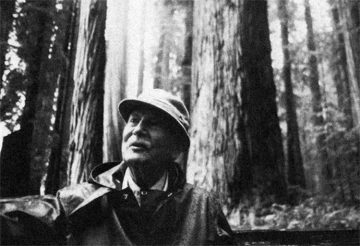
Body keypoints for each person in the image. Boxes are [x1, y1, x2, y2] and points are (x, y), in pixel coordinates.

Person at [2, 89, 235, 245]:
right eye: (134, 120)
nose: (137, 129)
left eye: (152, 123)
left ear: (176, 149)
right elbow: (18, 220)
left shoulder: (203, 209)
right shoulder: (80, 201)